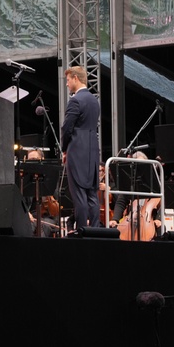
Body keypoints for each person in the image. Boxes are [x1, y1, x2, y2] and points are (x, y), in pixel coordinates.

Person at [60, 65, 101, 230]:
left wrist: (64, 149)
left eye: (68, 80)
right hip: (92, 150)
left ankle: (82, 232)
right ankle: (96, 231)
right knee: (92, 195)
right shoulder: (94, 100)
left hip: (77, 151)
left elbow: (67, 128)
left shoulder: (75, 101)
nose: (67, 84)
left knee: (79, 196)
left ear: (76, 78)